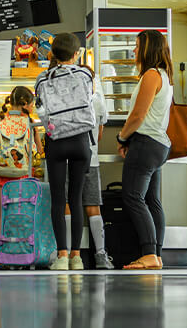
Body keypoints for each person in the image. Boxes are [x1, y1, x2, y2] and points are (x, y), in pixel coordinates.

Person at [35, 33, 95, 271]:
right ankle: (77, 257)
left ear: (52, 54)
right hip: (81, 140)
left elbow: (39, 110)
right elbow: (94, 103)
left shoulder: (42, 78)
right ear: (76, 54)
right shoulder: (85, 74)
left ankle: (61, 256)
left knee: (58, 201)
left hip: (56, 140)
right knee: (76, 199)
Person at [117, 30, 173, 270]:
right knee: (152, 200)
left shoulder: (151, 75)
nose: (134, 50)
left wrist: (122, 137)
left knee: (132, 196)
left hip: (145, 143)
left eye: (138, 46)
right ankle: (156, 255)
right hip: (159, 145)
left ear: (148, 48)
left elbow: (138, 115)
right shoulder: (164, 76)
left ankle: (149, 254)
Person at [0, 86, 42, 268]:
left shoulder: (0, 119)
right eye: (32, 103)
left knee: (2, 215)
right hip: (22, 175)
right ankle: (21, 255)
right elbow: (39, 151)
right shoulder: (30, 123)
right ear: (26, 104)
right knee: (22, 215)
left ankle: (1, 257)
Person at [63, 77, 115, 269]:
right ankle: (100, 254)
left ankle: (67, 253)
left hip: (69, 159)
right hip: (91, 160)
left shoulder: (68, 100)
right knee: (93, 207)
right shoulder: (98, 103)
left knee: (68, 204)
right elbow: (99, 134)